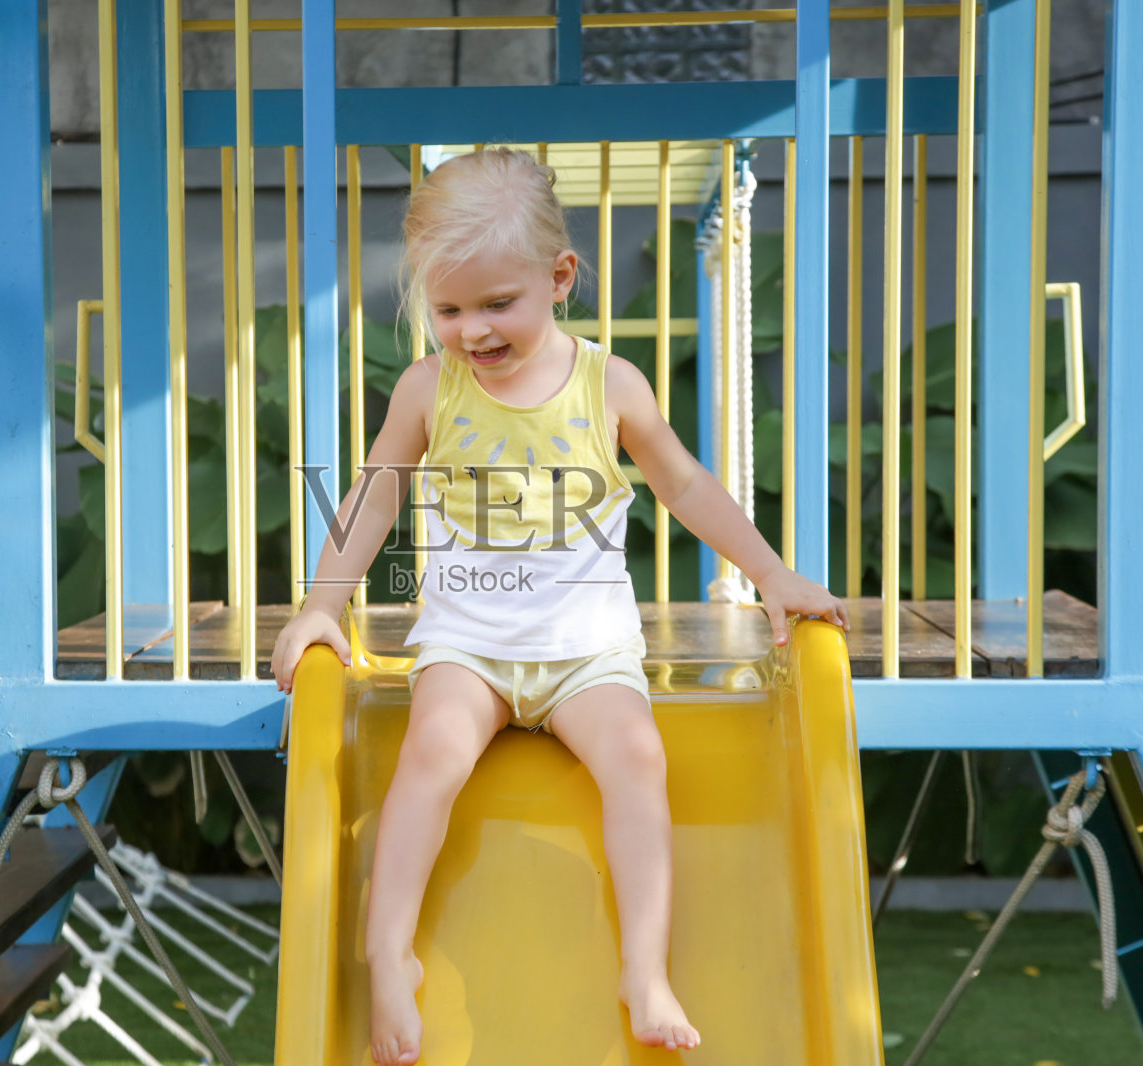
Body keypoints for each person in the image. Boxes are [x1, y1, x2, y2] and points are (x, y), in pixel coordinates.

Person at [270, 147, 848, 1065]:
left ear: (559, 276)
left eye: (499, 304)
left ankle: (644, 967)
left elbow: (687, 485)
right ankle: (389, 951)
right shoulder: (430, 389)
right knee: (430, 755)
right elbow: (376, 494)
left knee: (636, 756)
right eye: (449, 310)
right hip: (469, 642)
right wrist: (321, 607)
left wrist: (773, 574)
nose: (473, 331)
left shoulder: (607, 386)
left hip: (587, 651)